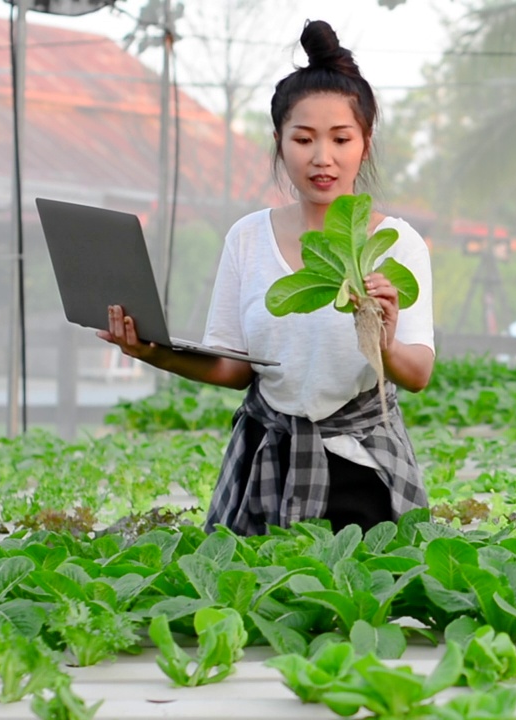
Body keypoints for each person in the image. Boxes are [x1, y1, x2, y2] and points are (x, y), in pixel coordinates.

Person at [97, 19, 435, 536]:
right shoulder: (247, 239)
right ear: (279, 142)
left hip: (362, 468)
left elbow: (417, 374)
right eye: (303, 139)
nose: (322, 157)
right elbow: (234, 368)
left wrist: (382, 342)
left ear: (364, 144)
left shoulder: (398, 245)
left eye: (340, 139)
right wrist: (151, 351)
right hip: (264, 464)